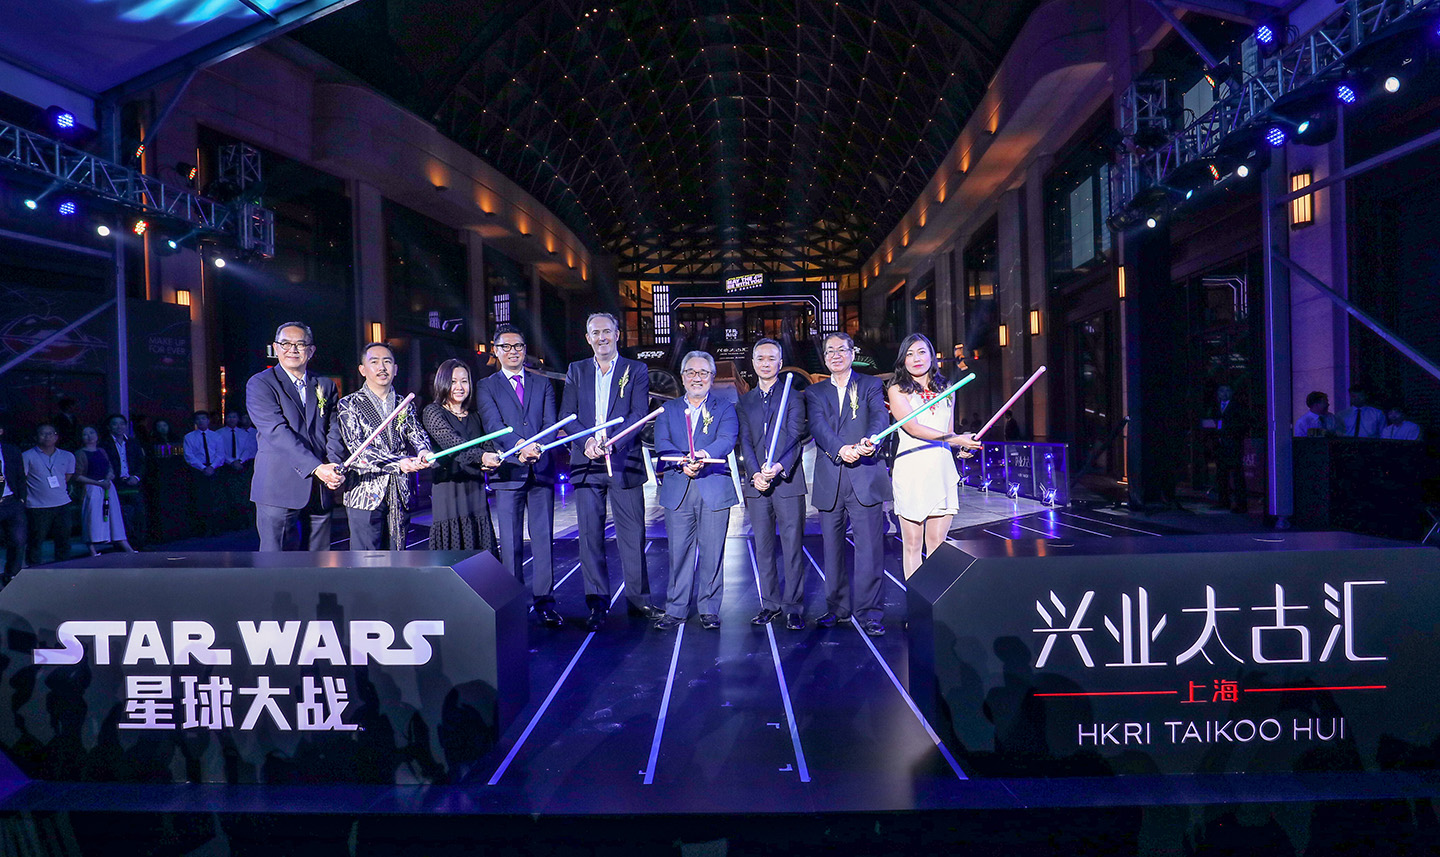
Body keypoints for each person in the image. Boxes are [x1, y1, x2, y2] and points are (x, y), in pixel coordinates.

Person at [561, 312, 664, 631]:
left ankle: (638, 599)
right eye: (595, 332)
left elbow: (638, 414)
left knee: (632, 534)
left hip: (623, 461)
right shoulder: (576, 370)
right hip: (587, 461)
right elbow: (568, 415)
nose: (602, 337)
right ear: (588, 338)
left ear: (618, 335)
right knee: (589, 536)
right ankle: (597, 603)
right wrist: (588, 441)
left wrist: (613, 442)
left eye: (607, 331)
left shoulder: (636, 370)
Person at [803, 332, 892, 636]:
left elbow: (879, 417)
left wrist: (871, 440)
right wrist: (840, 449)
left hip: (865, 475)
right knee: (832, 549)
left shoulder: (870, 385)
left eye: (842, 350)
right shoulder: (815, 392)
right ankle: (837, 608)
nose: (836, 355)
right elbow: (818, 427)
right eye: (830, 351)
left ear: (853, 353)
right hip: (831, 477)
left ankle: (870, 613)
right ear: (824, 357)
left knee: (870, 550)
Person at [474, 324, 561, 627]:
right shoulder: (486, 386)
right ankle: (514, 606)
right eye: (506, 347)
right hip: (509, 471)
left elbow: (550, 422)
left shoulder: (542, 383)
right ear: (496, 351)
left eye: (518, 346)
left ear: (525, 350)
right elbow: (492, 424)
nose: (513, 351)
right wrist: (519, 447)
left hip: (541, 469)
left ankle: (545, 603)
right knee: (510, 544)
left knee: (543, 541)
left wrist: (537, 447)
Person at [652, 351, 739, 630]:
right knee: (679, 553)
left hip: (713, 486)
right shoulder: (668, 410)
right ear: (682, 377)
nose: (697, 378)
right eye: (691, 372)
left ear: (712, 377)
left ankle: (709, 609)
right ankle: (676, 609)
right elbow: (662, 443)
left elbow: (727, 439)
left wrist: (702, 455)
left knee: (713, 552)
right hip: (678, 488)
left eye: (703, 372)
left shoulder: (725, 408)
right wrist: (682, 461)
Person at [886, 334, 983, 580]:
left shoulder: (947, 388)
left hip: (941, 470)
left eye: (921, 352)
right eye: (909, 354)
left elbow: (947, 430)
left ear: (932, 356)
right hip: (912, 470)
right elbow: (914, 428)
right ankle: (916, 601)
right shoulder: (897, 390)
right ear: (903, 360)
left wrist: (962, 447)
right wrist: (955, 438)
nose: (916, 358)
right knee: (912, 544)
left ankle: (936, 601)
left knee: (937, 544)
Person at [246, 321, 344, 551]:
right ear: (275, 348)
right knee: (278, 560)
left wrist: (333, 465)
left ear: (311, 350)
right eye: (286, 344)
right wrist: (316, 467)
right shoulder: (261, 383)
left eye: (300, 344)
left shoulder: (325, 384)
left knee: (320, 558)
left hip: (320, 486)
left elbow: (334, 429)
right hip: (278, 486)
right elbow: (276, 432)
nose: (293, 349)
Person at [330, 342, 432, 550]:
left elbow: (416, 432)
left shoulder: (404, 403)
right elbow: (358, 449)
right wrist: (399, 463)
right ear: (362, 369)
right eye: (374, 362)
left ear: (395, 369)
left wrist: (423, 450)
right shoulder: (348, 404)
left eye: (387, 362)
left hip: (399, 490)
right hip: (364, 492)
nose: (382, 367)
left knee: (398, 554)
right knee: (365, 560)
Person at [736, 338, 808, 629]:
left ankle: (793, 607)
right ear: (753, 363)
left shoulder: (794, 397)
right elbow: (745, 441)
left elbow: (794, 437)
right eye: (760, 358)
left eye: (771, 358)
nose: (766, 363)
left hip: (787, 483)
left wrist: (777, 468)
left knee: (792, 546)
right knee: (763, 547)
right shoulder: (745, 402)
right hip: (758, 485)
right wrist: (755, 474)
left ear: (780, 363)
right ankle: (770, 604)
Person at [420, 358, 500, 555]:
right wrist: (482, 456)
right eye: (453, 381)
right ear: (442, 382)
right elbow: (453, 444)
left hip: (475, 490)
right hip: (449, 490)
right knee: (453, 551)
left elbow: (487, 444)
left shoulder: (475, 415)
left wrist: (492, 458)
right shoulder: (432, 412)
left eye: (464, 381)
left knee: (480, 551)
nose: (459, 387)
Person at [74, 426, 134, 555]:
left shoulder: (102, 451)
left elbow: (109, 467)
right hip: (92, 487)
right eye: (85, 434)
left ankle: (124, 544)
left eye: (92, 433)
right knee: (92, 517)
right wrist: (98, 483)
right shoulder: (80, 453)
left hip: (107, 486)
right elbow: (78, 476)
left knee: (114, 516)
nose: (89, 436)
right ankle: (92, 549)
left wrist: (108, 478)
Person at [23, 424, 75, 565]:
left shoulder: (67, 455)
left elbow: (67, 476)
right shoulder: (27, 456)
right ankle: (34, 570)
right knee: (36, 541)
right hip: (37, 506)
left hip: (62, 503)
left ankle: (64, 567)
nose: (47, 436)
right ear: (36, 437)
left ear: (56, 436)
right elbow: (23, 478)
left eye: (51, 433)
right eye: (43, 433)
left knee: (64, 539)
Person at [101, 413, 148, 548]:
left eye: (122, 424)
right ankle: (120, 544)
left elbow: (142, 462)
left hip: (133, 482)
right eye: (115, 424)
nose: (119, 427)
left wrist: (136, 477)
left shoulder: (133, 442)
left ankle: (139, 543)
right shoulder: (104, 444)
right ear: (109, 427)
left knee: (139, 514)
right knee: (118, 516)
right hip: (115, 484)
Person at [183, 410, 227, 535]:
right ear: (195, 422)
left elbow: (220, 454)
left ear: (208, 421)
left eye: (203, 418)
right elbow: (189, 456)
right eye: (198, 419)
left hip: (215, 469)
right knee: (200, 498)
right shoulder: (189, 437)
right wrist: (203, 468)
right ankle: (202, 528)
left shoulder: (216, 436)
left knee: (216, 497)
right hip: (198, 470)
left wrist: (212, 467)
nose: (201, 421)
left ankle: (216, 527)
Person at [1206, 384, 1248, 512]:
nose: (1223, 393)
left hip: (1233, 444)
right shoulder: (1215, 407)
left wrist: (1232, 433)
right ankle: (1223, 501)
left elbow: (1243, 424)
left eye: (1227, 390)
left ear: (1231, 392)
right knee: (1221, 474)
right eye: (1221, 391)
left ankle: (1241, 504)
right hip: (1220, 445)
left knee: (1237, 475)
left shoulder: (1238, 406)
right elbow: (1213, 423)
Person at [0, 424, 27, 584]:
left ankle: (12, 575)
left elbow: (20, 475)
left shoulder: (11, 450)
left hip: (11, 500)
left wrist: (22, 498)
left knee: (18, 540)